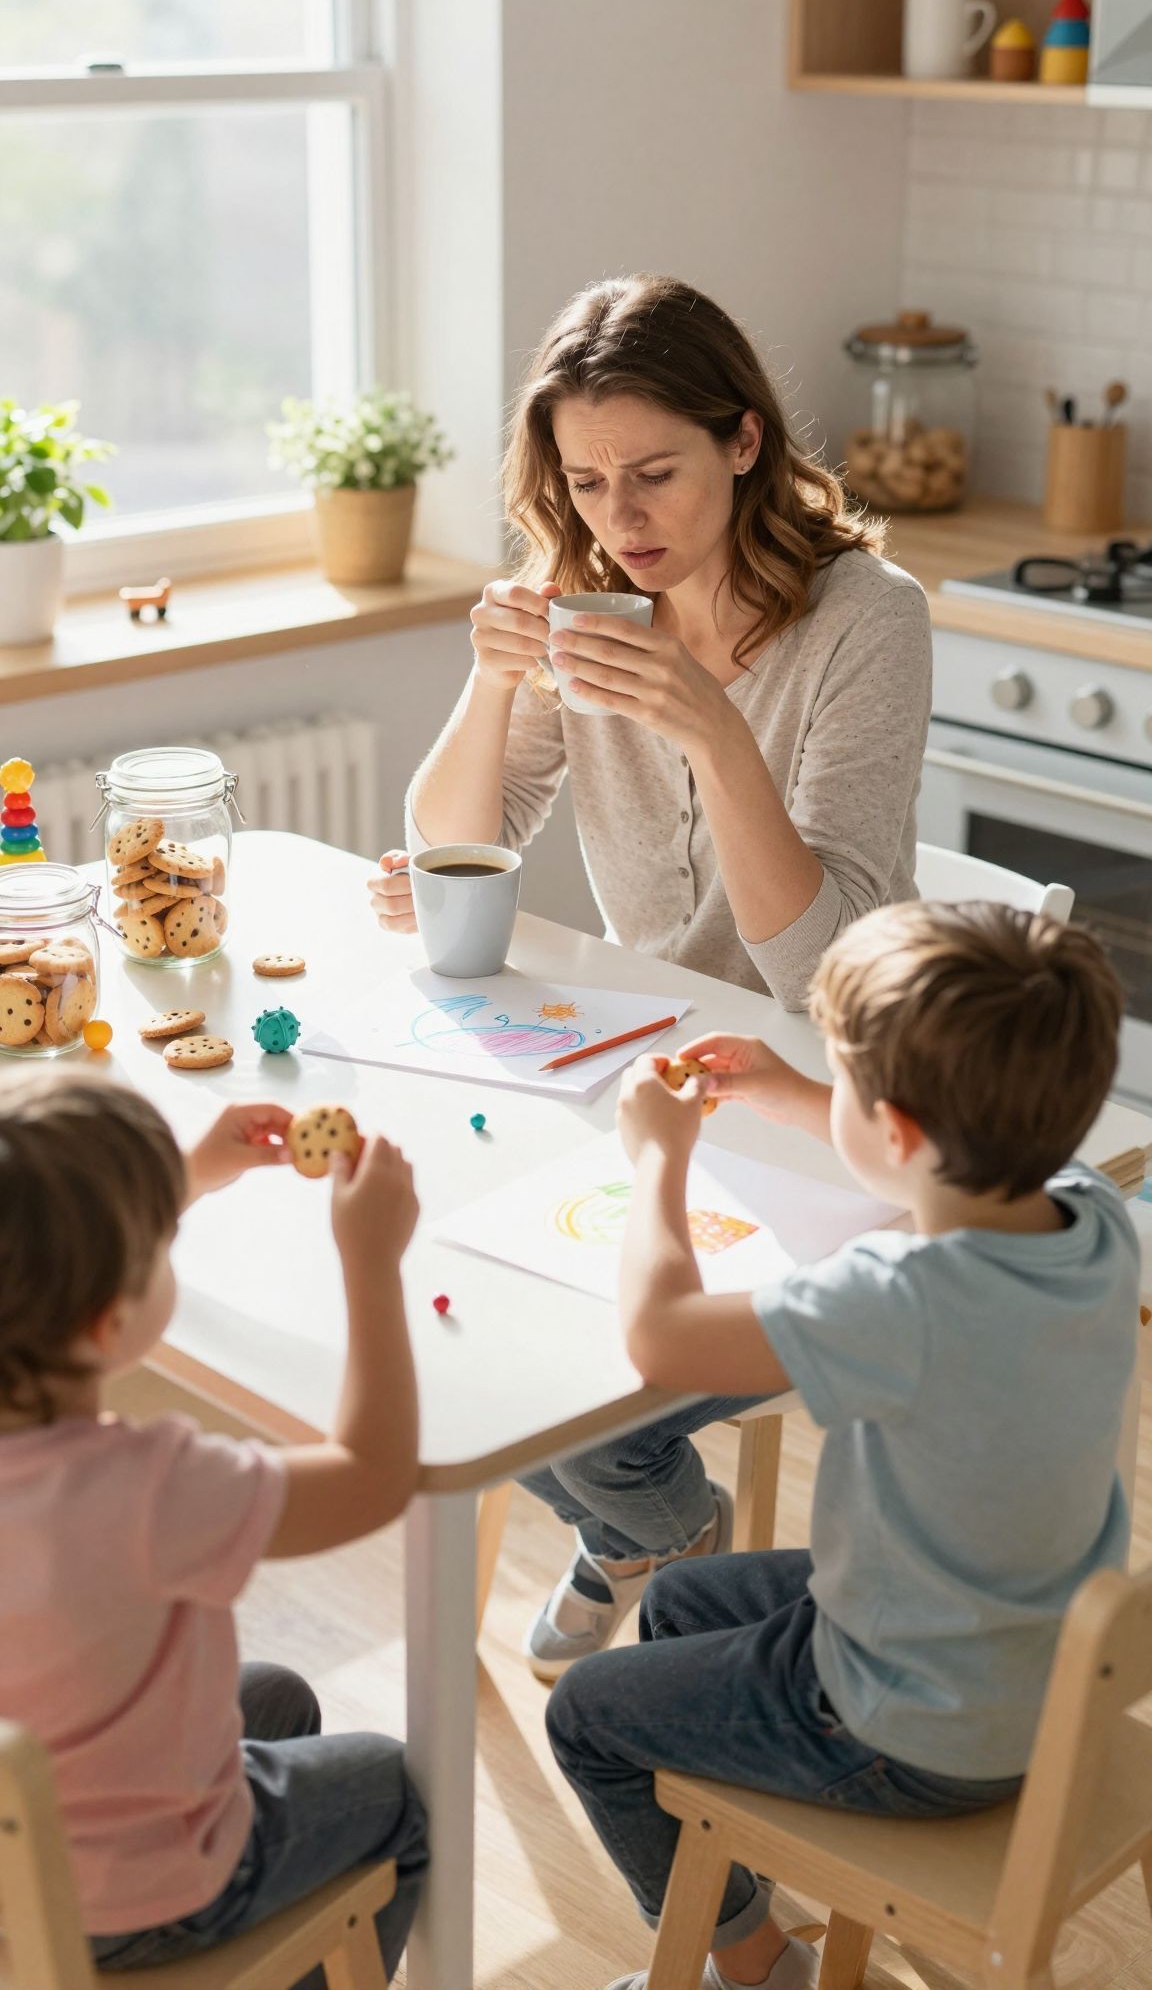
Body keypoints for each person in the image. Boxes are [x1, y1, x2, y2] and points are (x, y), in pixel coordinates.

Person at [368, 273, 934, 1674]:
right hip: (655, 1078)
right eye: (587, 482)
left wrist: (715, 735)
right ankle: (653, 1534)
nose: (623, 520)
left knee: (591, 1389)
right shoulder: (597, 604)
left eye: (657, 474)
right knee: (455, 1308)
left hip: (838, 1103)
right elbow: (454, 847)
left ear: (744, 440)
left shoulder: (870, 621)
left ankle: (650, 1530)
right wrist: (495, 677)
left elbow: (828, 968)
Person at [545, 900, 1138, 1990]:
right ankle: (740, 1882)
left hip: (911, 1724)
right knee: (681, 1604)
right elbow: (932, 1155)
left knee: (586, 1713)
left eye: (847, 1081)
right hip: (1025, 1656)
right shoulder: (1092, 1212)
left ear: (900, 1131)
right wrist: (789, 1088)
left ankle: (752, 1963)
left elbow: (660, 1330)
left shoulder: (897, 1299)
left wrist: (657, 1162)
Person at [0, 1071, 427, 1986]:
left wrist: (185, 1175)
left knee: (274, 1698)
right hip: (140, 1897)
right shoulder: (149, 1487)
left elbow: (44, 1254)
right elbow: (372, 1475)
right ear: (111, 1319)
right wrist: (371, 1261)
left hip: (15, 1867)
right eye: (158, 1248)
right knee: (400, 1789)